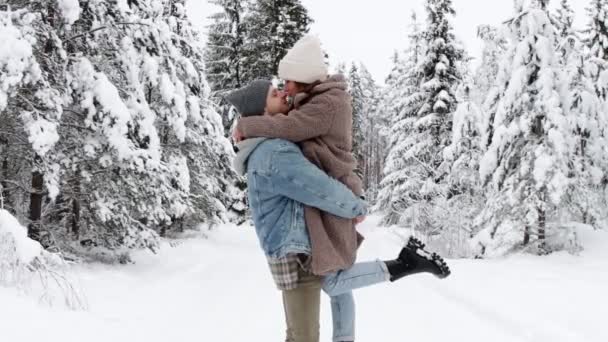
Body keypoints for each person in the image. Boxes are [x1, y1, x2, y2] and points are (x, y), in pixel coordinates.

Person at [227, 78, 450, 342]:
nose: (283, 95)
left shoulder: (272, 144)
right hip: (295, 253)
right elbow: (316, 187)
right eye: (275, 95)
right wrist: (354, 206)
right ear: (263, 112)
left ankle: (404, 266)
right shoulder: (274, 152)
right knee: (307, 329)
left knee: (313, 314)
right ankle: (405, 264)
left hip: (294, 247)